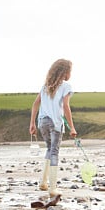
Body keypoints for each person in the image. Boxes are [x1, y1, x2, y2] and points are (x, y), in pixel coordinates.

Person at [29, 59, 77, 195]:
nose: (70, 74)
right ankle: (53, 188)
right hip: (55, 123)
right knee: (54, 151)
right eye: (70, 71)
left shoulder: (46, 86)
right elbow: (66, 106)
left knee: (49, 149)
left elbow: (35, 104)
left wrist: (32, 123)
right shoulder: (66, 86)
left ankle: (43, 182)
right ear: (65, 72)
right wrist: (72, 127)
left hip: (42, 122)